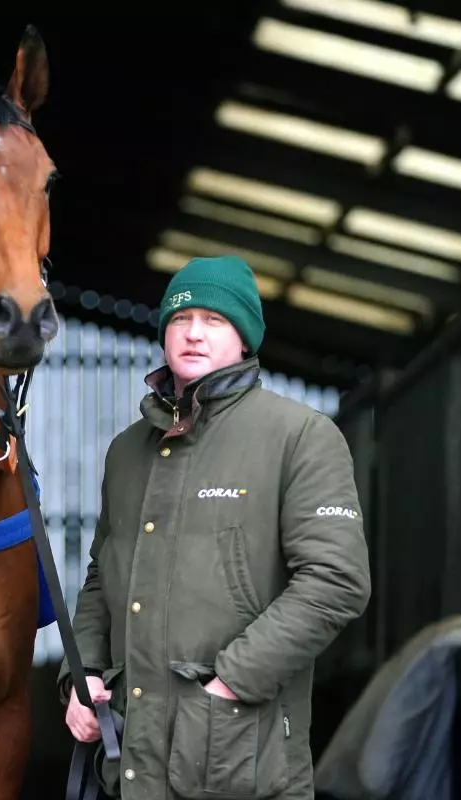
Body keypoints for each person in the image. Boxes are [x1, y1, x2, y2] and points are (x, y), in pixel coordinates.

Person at [58, 254, 372, 800]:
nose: (194, 333)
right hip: (131, 763)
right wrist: (82, 671)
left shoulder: (299, 435)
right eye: (180, 318)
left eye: (214, 320)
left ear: (245, 337)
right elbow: (100, 577)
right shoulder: (127, 451)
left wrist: (230, 682)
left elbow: (336, 581)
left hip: (241, 757)